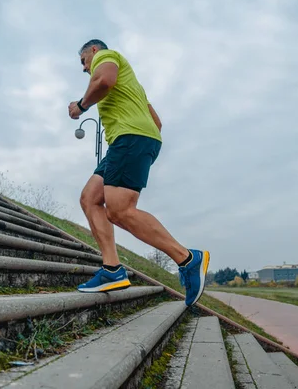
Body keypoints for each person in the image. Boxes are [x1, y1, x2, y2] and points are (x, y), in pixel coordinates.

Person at [67, 39, 209, 307]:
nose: (85, 69)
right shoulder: (135, 88)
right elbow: (157, 122)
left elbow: (104, 81)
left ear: (93, 51)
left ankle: (188, 259)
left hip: (129, 139)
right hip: (130, 141)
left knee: (119, 210)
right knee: (90, 198)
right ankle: (112, 269)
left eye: (84, 62)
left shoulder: (105, 57)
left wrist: (81, 106)